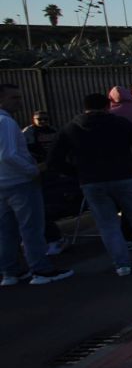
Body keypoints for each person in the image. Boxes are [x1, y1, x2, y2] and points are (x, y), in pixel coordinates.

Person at [48, 93, 132, 277]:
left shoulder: (71, 128)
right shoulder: (120, 124)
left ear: (84, 107)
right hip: (123, 176)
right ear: (108, 106)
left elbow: (54, 159)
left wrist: (77, 173)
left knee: (107, 224)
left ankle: (121, 264)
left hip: (91, 181)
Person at [0, 84, 73, 286]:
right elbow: (9, 155)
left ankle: (10, 271)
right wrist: (33, 170)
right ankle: (41, 269)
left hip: (3, 183)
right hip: (19, 182)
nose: (19, 102)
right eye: (14, 98)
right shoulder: (6, 122)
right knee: (31, 228)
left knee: (6, 230)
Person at [22, 110, 74, 256]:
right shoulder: (29, 132)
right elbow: (28, 150)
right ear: (34, 120)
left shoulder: (54, 130)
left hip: (54, 168)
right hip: (40, 168)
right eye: (40, 119)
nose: (43, 122)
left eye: (45, 119)